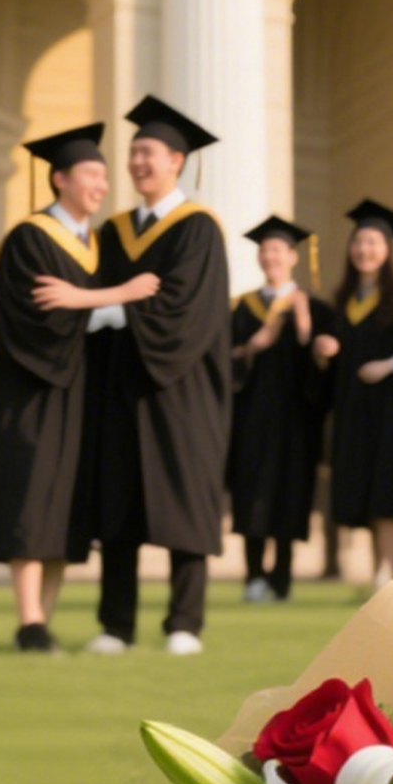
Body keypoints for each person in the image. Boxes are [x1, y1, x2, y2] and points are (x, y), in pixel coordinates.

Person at [0, 124, 160, 653]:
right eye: (91, 174)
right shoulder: (30, 238)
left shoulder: (97, 244)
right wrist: (116, 295)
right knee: (33, 499)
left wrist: (88, 298)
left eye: (105, 176)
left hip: (79, 395)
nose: (102, 185)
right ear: (61, 179)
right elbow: (33, 313)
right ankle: (29, 620)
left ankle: (44, 619)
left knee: (64, 508)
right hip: (33, 390)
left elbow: (83, 310)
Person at [82, 96, 230, 657]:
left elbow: (189, 309)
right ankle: (115, 624)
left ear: (177, 160)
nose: (139, 162)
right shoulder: (116, 231)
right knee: (119, 505)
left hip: (181, 389)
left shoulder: (199, 229)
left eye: (149, 152)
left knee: (184, 502)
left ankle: (184, 623)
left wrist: (115, 312)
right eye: (134, 152)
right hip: (121, 387)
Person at [313, 200, 393, 591]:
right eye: (358, 242)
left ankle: (389, 572)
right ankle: (380, 574)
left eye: (372, 242)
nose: (364, 250)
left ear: (388, 249)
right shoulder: (343, 300)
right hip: (354, 409)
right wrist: (325, 352)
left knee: (389, 491)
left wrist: (392, 364)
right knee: (366, 490)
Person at [227, 217, 332, 603]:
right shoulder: (242, 307)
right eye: (265, 250)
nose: (271, 257)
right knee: (251, 492)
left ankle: (283, 578)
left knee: (290, 495)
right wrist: (253, 347)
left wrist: (304, 327)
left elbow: (323, 372)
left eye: (278, 250)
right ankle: (254, 576)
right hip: (252, 419)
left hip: (296, 422)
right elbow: (224, 363)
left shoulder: (315, 307)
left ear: (293, 257)